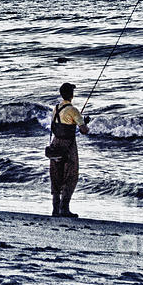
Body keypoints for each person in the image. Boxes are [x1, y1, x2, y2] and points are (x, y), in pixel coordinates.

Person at [48, 82, 91, 217]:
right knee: (70, 175)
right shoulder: (73, 110)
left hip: (55, 144)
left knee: (56, 176)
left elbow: (56, 126)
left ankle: (56, 209)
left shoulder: (56, 108)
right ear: (71, 95)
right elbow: (84, 130)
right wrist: (85, 123)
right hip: (68, 146)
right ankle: (64, 208)